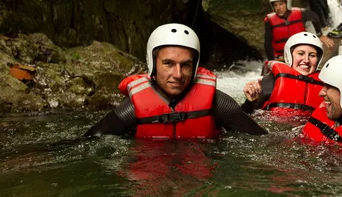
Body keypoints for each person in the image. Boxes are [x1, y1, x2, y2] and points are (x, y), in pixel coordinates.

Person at [85, 23, 267, 139]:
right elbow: (89, 140)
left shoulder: (217, 103)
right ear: (153, 63)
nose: (178, 74)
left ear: (194, 67)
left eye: (185, 65)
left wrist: (250, 105)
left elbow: (261, 138)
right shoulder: (133, 109)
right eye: (169, 64)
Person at [243, 32, 325, 116]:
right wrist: (251, 102)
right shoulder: (271, 81)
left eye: (312, 55)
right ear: (289, 55)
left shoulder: (326, 89)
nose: (306, 60)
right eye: (300, 53)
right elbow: (245, 115)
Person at [265, 0, 334, 61]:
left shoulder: (301, 13)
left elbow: (315, 17)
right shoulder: (269, 21)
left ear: (287, 3)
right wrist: (271, 60)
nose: (278, 8)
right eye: (275, 5)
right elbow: (267, 43)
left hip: (301, 55)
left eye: (281, 4)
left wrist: (320, 35)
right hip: (281, 58)